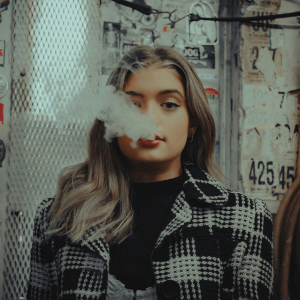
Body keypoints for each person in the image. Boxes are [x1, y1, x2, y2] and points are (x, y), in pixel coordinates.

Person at [26, 46, 274, 300]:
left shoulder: (245, 219)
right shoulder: (58, 217)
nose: (149, 118)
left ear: (193, 123)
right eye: (133, 104)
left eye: (169, 104)